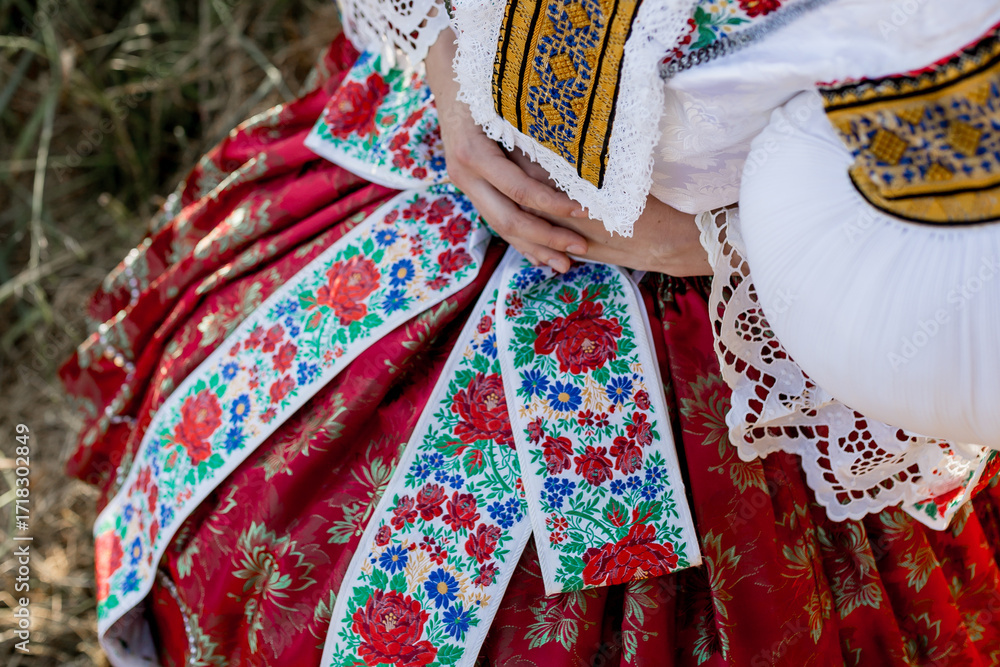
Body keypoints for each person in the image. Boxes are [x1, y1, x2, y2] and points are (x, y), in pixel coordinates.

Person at [61, 0, 1000, 665]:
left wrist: (730, 238)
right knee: (247, 530)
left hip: (756, 327)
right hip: (446, 171)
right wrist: (438, 51)